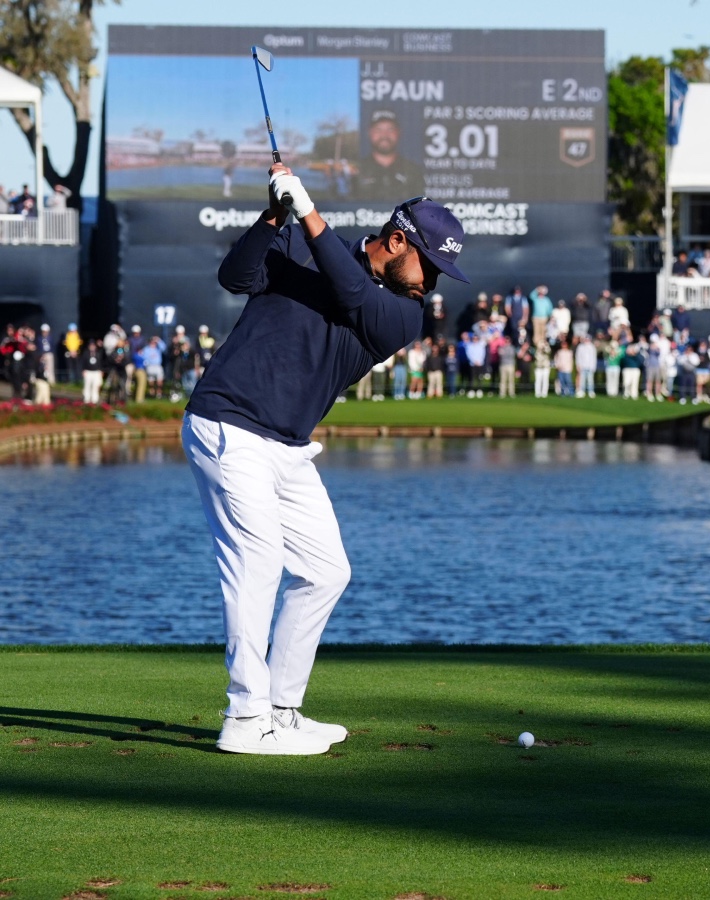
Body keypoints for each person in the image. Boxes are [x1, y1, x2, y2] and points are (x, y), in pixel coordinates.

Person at [183, 165, 468, 755]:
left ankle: (283, 711)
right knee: (257, 563)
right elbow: (235, 275)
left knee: (326, 571)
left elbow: (352, 292)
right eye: (430, 266)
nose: (433, 282)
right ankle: (245, 717)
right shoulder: (304, 243)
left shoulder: (405, 316)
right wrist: (274, 217)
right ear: (396, 242)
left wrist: (309, 214)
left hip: (286, 446)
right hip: (228, 424)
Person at [350, 111, 427, 199]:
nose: (384, 135)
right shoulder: (356, 171)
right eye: (378, 129)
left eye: (390, 129)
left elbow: (420, 208)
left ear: (398, 132)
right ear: (369, 133)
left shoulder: (413, 171)